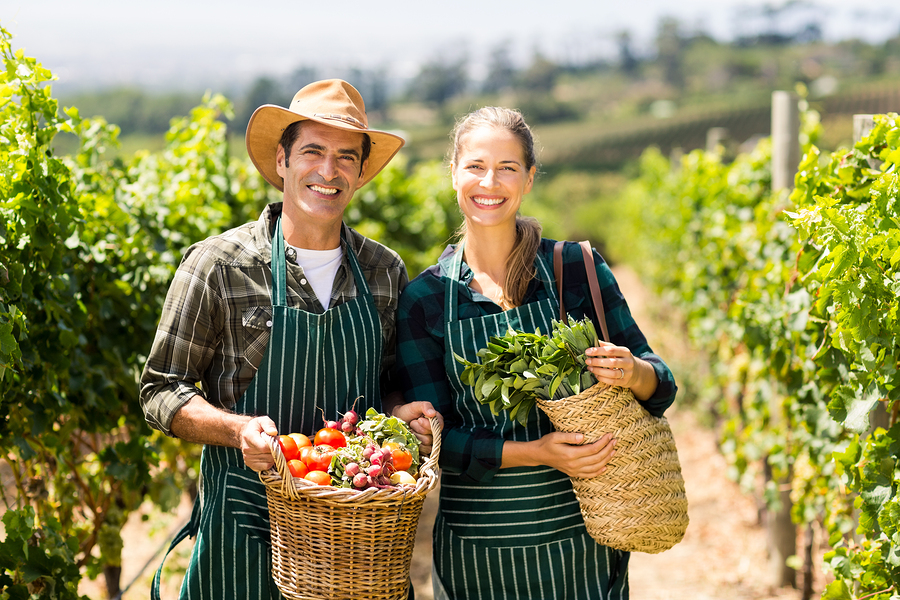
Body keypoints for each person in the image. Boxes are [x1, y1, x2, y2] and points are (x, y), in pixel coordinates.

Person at [140, 79, 437, 600]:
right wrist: (238, 431)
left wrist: (403, 415)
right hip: (243, 531)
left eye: (346, 156)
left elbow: (387, 385)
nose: (329, 171)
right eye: (313, 152)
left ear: (363, 170)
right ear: (281, 159)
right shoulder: (219, 266)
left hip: (353, 542)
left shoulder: (384, 271)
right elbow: (160, 390)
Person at [394, 106, 678, 599]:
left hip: (581, 544)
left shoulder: (576, 270)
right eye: (476, 166)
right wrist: (537, 453)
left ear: (528, 179)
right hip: (477, 553)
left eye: (507, 168)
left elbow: (663, 384)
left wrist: (632, 372)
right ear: (454, 174)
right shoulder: (428, 299)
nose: (490, 181)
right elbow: (437, 444)